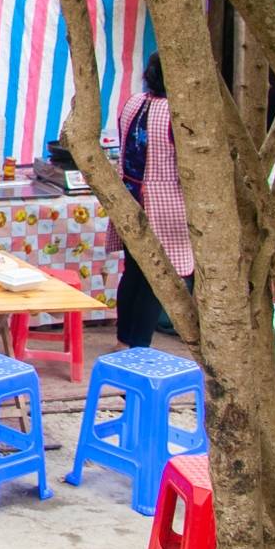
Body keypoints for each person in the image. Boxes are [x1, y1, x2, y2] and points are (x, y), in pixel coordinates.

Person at [106, 54, 191, 348]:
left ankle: (123, 340)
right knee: (157, 278)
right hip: (162, 201)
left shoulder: (133, 102)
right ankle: (138, 347)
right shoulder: (175, 113)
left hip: (128, 196)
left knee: (133, 271)